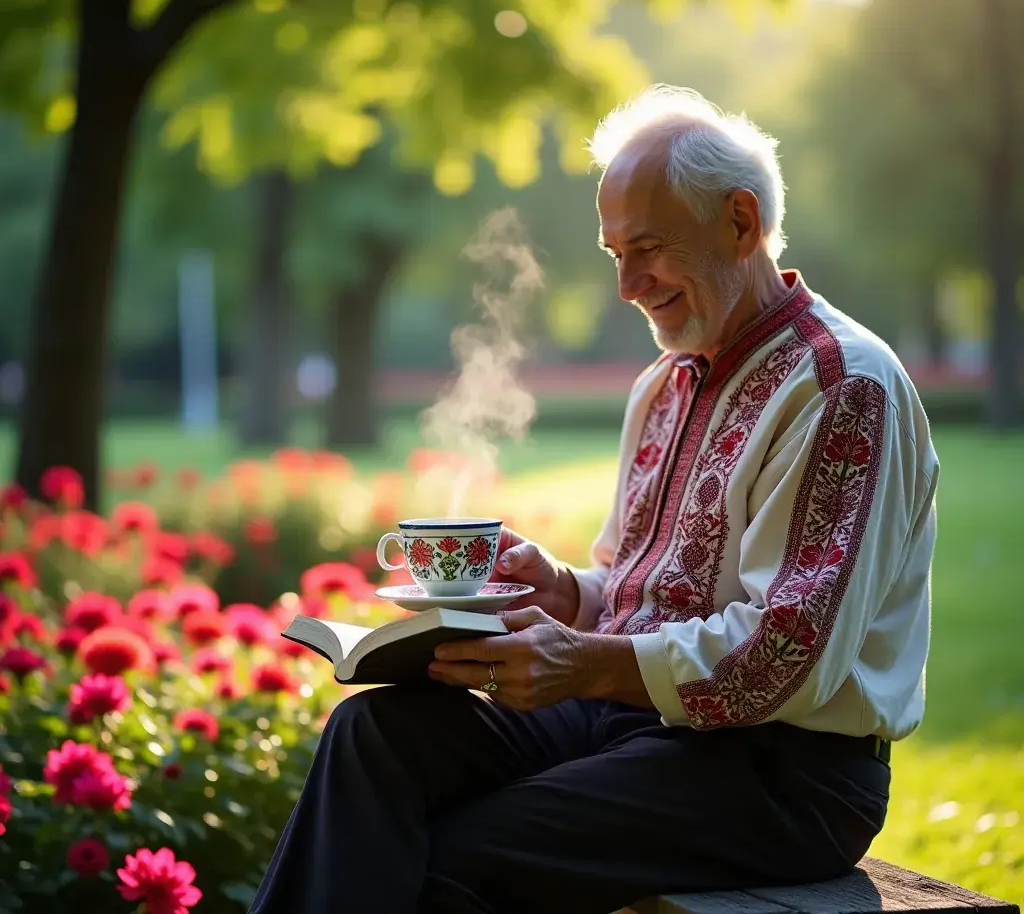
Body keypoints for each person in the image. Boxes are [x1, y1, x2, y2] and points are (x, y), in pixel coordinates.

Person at [249, 86, 938, 914]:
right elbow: (644, 591)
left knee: (457, 857)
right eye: (614, 253)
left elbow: (786, 654)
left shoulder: (841, 387)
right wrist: (569, 594)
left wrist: (589, 662)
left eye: (647, 248)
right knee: (373, 737)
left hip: (785, 773)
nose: (626, 285)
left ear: (742, 223)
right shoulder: (664, 385)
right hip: (635, 723)